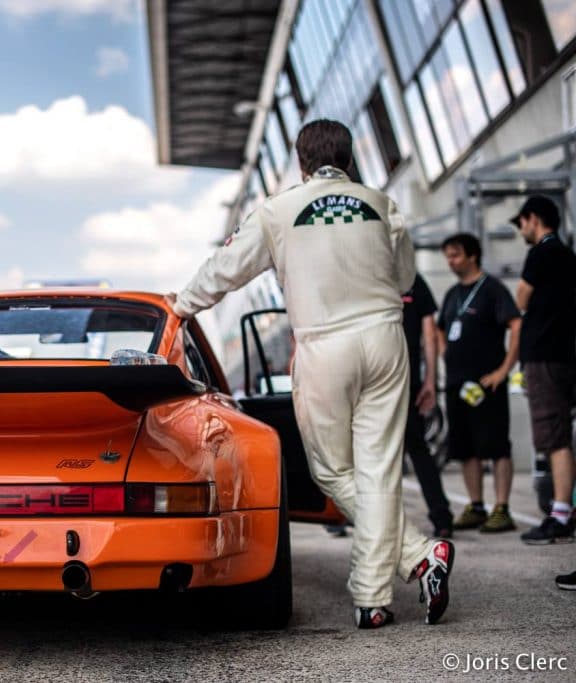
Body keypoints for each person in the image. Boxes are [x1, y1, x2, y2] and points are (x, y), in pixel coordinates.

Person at [168, 119, 453, 629]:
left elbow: (226, 267)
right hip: (387, 339)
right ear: (348, 159)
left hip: (324, 345)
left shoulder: (278, 212)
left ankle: (411, 562)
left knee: (332, 471)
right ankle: (375, 594)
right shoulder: (382, 203)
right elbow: (406, 277)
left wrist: (181, 305)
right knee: (380, 467)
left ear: (301, 163)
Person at [437, 233, 521, 533]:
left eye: (456, 254)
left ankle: (502, 508)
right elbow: (440, 329)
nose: (451, 261)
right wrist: (447, 355)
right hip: (457, 385)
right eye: (447, 255)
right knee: (465, 448)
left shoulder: (492, 289)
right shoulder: (451, 294)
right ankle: (476, 505)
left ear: (472, 255)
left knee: (497, 446)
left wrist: (504, 369)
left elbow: (516, 323)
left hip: (488, 384)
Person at [511, 196, 576, 545]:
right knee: (559, 433)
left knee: (554, 437)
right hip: (563, 355)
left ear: (533, 219)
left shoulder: (542, 252)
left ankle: (561, 513)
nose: (521, 229)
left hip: (545, 359)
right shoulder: (567, 255)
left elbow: (520, 299)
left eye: (521, 222)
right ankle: (563, 508)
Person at [402, 274, 453, 537]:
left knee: (416, 449)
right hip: (384, 381)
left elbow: (429, 333)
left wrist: (430, 381)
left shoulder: (413, 280)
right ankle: (442, 518)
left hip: (405, 381)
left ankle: (441, 516)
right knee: (416, 450)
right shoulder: (409, 277)